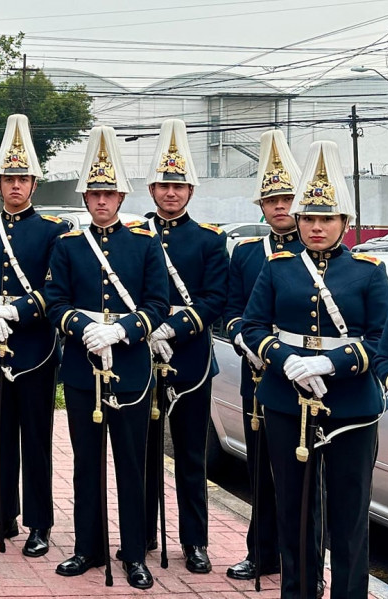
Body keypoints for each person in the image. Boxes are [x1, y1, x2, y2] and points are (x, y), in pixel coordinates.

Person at [243, 141, 387, 599]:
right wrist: (286, 361)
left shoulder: (369, 271)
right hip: (288, 404)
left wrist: (330, 361)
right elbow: (251, 327)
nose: (317, 226)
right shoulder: (277, 267)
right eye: (308, 217)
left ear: (344, 223)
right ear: (298, 222)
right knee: (296, 514)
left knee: (348, 518)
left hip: (350, 408)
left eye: (327, 218)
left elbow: (382, 339)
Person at [45, 126, 169, 590]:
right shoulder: (69, 246)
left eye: (109, 194)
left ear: (121, 197)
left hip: (132, 370)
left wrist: (121, 329)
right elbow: (55, 302)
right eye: (94, 193)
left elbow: (157, 304)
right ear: (85, 197)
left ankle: (134, 553)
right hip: (81, 369)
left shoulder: (143, 244)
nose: (101, 201)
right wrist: (83, 326)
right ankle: (87, 547)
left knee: (130, 465)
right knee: (85, 464)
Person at [0, 114, 66, 556]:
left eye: (24, 179)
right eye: (9, 179)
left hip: (34, 351)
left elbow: (55, 288)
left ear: (34, 185)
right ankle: (3, 517)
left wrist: (16, 310)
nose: (16, 186)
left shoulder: (52, 231)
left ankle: (39, 523)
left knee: (36, 441)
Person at [138, 119, 228, 574]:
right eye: (163, 185)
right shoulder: (135, 236)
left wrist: (174, 327)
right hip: (140, 357)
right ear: (151, 189)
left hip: (191, 358)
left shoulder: (210, 240)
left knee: (191, 457)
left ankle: (195, 542)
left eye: (178, 186)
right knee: (143, 453)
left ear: (190, 190)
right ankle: (144, 534)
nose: (170, 193)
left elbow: (216, 298)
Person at [222, 130, 306, 584]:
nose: (280, 206)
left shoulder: (315, 253)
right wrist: (244, 342)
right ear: (260, 206)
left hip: (303, 383)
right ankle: (262, 552)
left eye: (288, 197)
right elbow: (233, 312)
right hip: (255, 380)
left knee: (302, 478)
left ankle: (302, 560)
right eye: (272, 199)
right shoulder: (248, 253)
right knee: (259, 471)